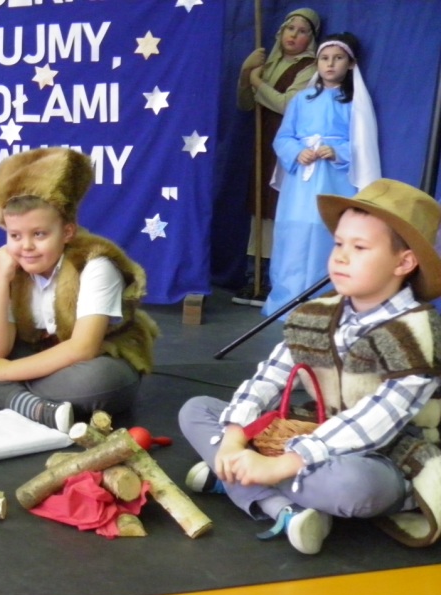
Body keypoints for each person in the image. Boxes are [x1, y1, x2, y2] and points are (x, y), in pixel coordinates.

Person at [179, 179, 441, 555]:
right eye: (338, 244)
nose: (341, 257)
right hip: (313, 430)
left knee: (356, 487)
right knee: (197, 410)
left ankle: (246, 483)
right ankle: (282, 505)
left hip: (384, 454)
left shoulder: (417, 331)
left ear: (404, 262)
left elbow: (378, 418)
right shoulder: (318, 313)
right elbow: (271, 375)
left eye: (360, 248)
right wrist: (235, 436)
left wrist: (283, 463)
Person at [0, 147, 158, 432]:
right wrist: (0, 279)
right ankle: (29, 404)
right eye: (15, 235)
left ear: (67, 232)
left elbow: (83, 348)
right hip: (38, 353)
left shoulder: (95, 265)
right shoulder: (14, 264)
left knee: (99, 383)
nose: (26, 246)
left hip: (95, 360)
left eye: (39, 234)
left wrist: (6, 371)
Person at [262, 32, 381, 318]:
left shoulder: (355, 103)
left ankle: (324, 304)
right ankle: (285, 303)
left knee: (326, 235)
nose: (330, 64)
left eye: (338, 58)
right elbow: (283, 137)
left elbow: (363, 144)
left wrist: (337, 150)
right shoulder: (302, 100)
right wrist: (296, 152)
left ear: (350, 64)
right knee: (294, 234)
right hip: (300, 183)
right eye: (324, 58)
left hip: (334, 182)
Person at [234, 7, 321, 307]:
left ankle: (272, 279)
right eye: (290, 28)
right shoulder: (267, 64)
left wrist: (258, 83)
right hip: (262, 143)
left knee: (275, 208)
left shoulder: (309, 68)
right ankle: (252, 276)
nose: (293, 35)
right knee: (257, 209)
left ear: (311, 38)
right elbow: (246, 104)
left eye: (302, 31)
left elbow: (287, 104)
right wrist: (246, 76)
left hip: (286, 146)